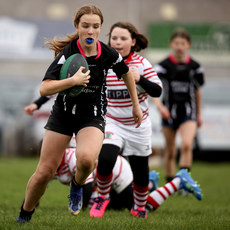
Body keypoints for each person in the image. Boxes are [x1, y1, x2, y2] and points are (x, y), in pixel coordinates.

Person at [16, 5, 143, 223]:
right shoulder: (68, 53)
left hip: (91, 116)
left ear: (100, 28)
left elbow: (127, 74)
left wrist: (135, 105)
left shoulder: (107, 53)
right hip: (62, 116)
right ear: (77, 27)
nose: (90, 31)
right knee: (45, 171)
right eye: (85, 26)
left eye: (95, 27)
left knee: (86, 160)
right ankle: (25, 215)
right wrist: (72, 81)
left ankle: (77, 185)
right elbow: (44, 88)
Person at [89, 22, 163, 219]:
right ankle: (102, 196)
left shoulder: (141, 63)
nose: (118, 42)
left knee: (140, 170)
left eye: (123, 38)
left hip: (138, 125)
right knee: (105, 158)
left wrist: (140, 79)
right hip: (112, 122)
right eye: (114, 38)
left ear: (133, 42)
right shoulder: (103, 62)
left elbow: (158, 90)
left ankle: (139, 207)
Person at [52, 140, 202, 212]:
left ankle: (177, 181)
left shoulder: (71, 157)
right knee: (113, 207)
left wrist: (80, 209)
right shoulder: (53, 164)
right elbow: (43, 179)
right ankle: (148, 182)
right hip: (106, 181)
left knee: (140, 208)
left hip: (118, 173)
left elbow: (87, 187)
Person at [152, 28, 205, 185]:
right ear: (171, 44)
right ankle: (170, 183)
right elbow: (153, 90)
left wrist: (199, 114)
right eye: (176, 43)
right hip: (168, 113)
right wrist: (160, 107)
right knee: (170, 150)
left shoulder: (196, 67)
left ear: (188, 45)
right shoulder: (162, 66)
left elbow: (198, 92)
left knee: (187, 144)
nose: (179, 46)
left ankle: (183, 182)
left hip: (189, 112)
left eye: (183, 43)